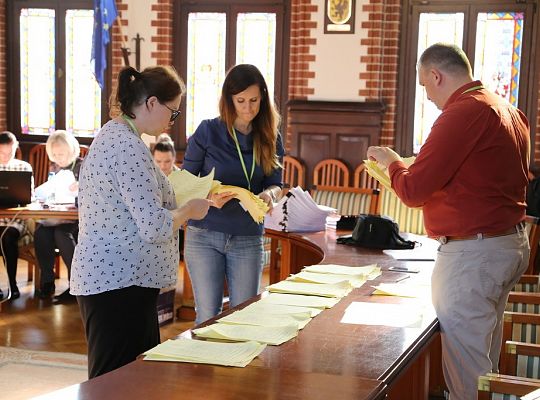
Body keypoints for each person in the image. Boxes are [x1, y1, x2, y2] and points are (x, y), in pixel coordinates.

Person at [367, 43, 530, 400]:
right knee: (484, 359)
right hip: (509, 243)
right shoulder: (508, 110)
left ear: (435, 76)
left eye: (425, 86)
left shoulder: (461, 113)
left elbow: (413, 190)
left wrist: (393, 162)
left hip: (475, 253)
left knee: (467, 370)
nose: (428, 97)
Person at [70, 65, 211, 379]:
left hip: (120, 280)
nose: (171, 123)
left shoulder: (116, 134)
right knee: (116, 383)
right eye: (172, 113)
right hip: (117, 283)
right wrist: (189, 210)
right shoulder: (128, 147)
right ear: (151, 103)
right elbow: (153, 226)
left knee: (132, 381)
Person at [183, 64, 284, 325]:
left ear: (263, 97)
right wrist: (208, 199)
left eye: (254, 100)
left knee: (244, 317)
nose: (248, 108)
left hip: (247, 236)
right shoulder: (208, 131)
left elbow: (276, 184)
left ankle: (236, 366)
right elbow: (185, 184)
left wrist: (270, 195)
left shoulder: (271, 136)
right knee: (208, 316)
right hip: (204, 233)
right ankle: (204, 366)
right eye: (240, 101)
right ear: (228, 99)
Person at [34, 130, 82, 302]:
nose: (58, 158)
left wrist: (79, 188)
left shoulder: (82, 166)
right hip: (56, 216)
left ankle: (76, 285)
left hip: (77, 220)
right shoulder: (54, 169)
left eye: (61, 154)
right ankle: (47, 282)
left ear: (71, 151)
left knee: (61, 234)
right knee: (41, 233)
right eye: (54, 154)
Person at [0, 131, 33, 300]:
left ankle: (12, 285)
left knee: (7, 237)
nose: (6, 157)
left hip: (15, 220)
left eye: (10, 153)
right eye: (1, 153)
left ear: (16, 150)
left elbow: (29, 198)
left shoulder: (23, 167)